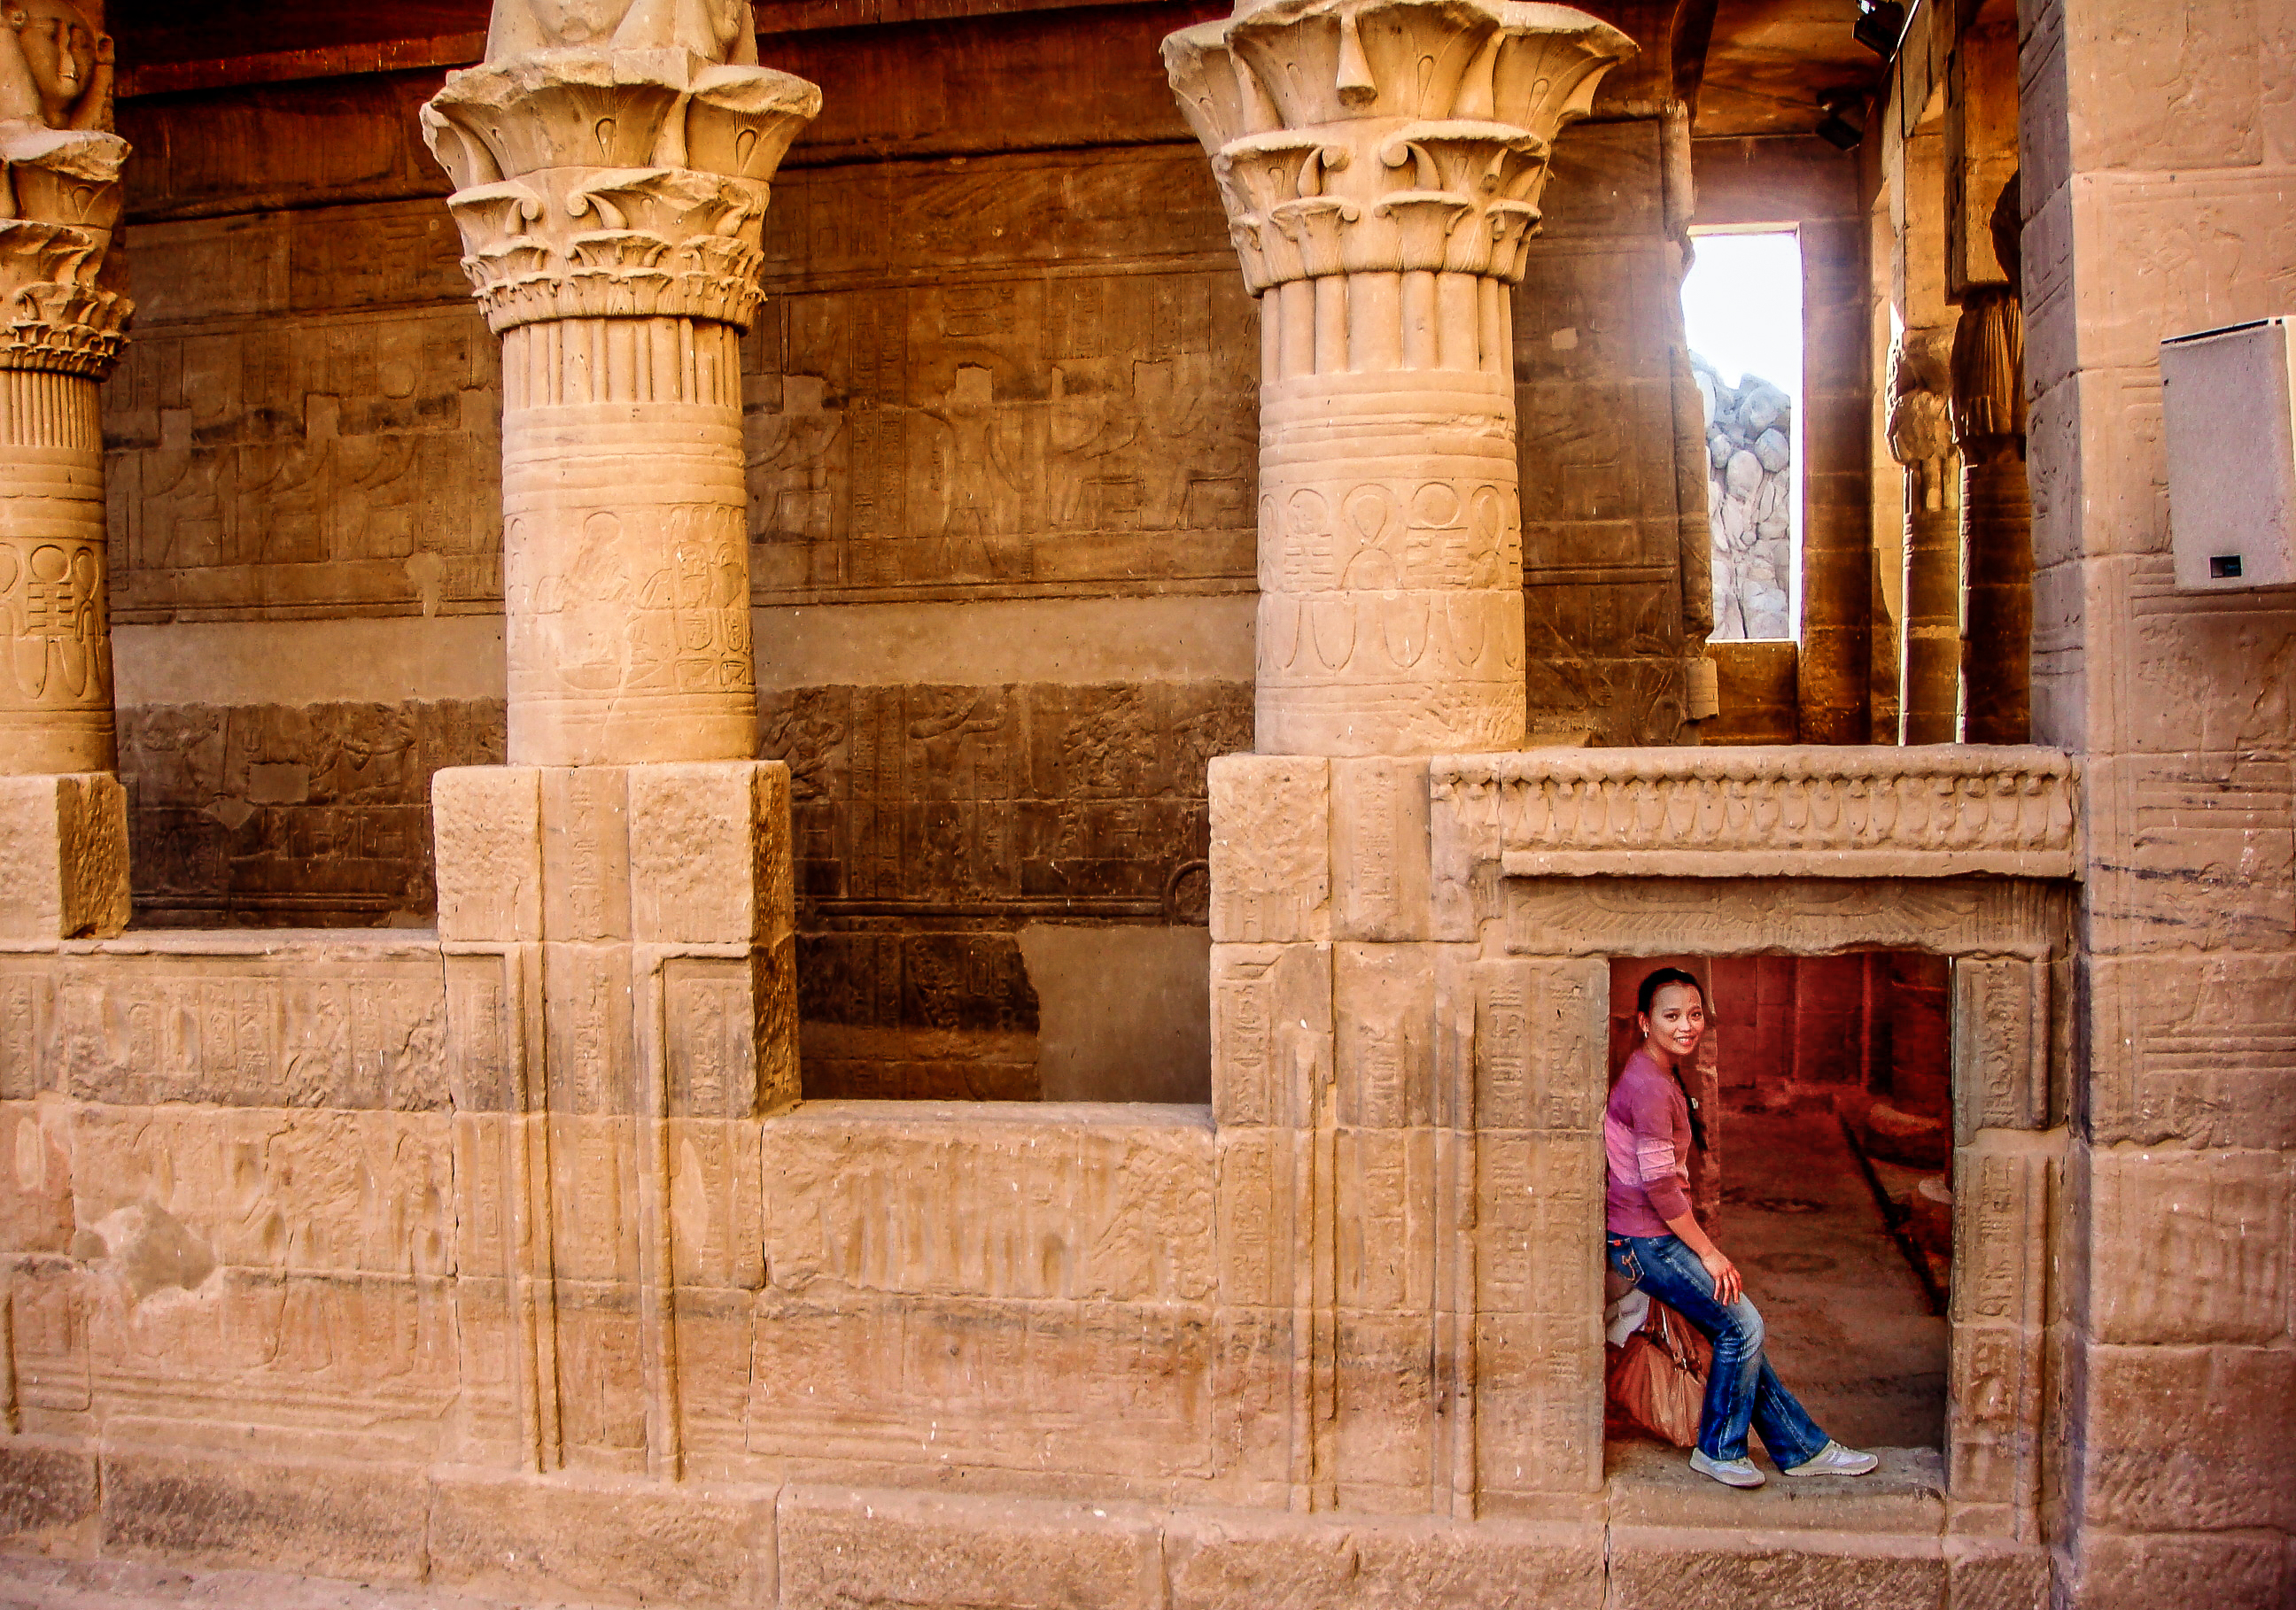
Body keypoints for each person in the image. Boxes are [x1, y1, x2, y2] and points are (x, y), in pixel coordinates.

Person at [1604, 966, 1880, 1488]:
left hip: (1645, 1236)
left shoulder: (1656, 1074)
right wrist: (1710, 1254)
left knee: (1738, 1336)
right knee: (1743, 1326)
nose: (1687, 1026)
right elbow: (1661, 1189)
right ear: (1644, 1021)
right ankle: (1719, 1449)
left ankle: (1802, 1447)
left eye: (1695, 1015)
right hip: (1645, 1241)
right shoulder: (1648, 1086)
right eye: (1671, 1016)